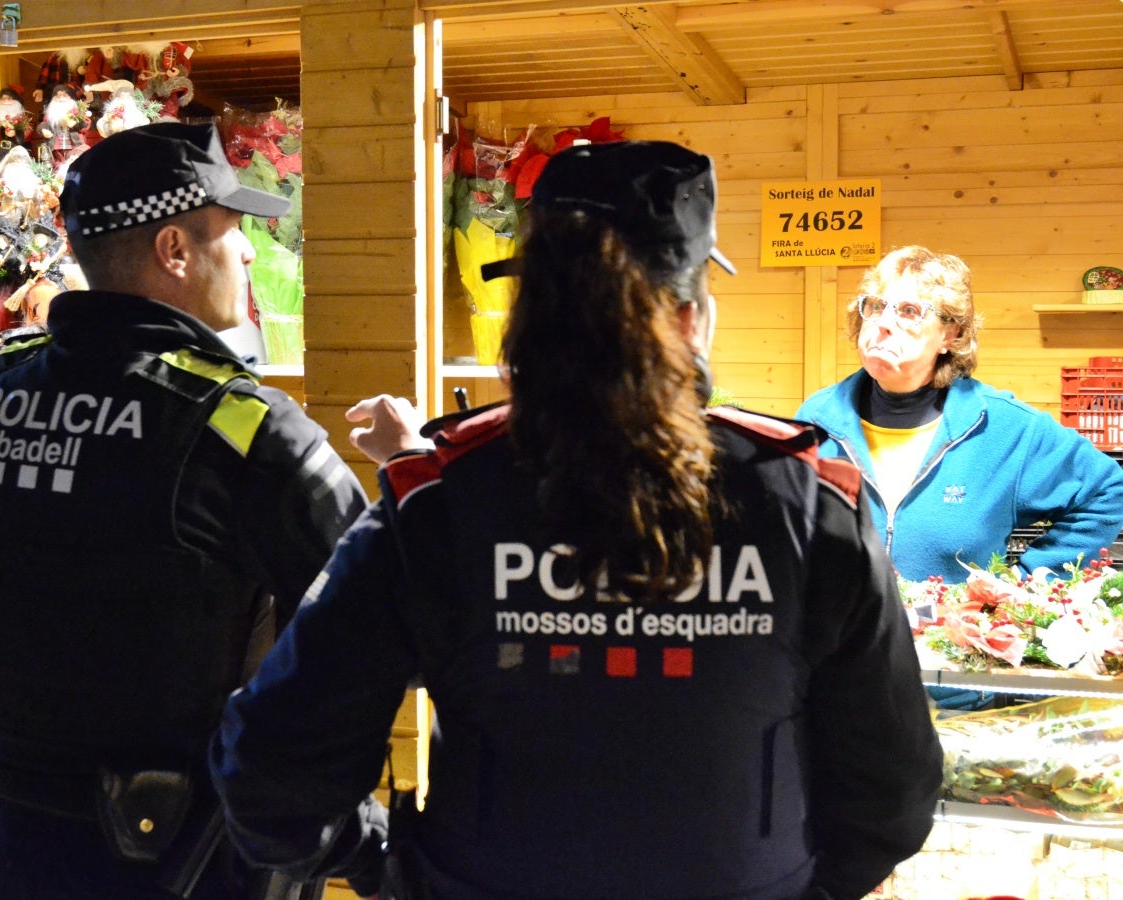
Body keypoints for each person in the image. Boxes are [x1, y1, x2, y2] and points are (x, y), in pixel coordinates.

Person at [209, 141, 943, 900]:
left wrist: (392, 871)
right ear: (693, 317)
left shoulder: (437, 502)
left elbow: (274, 773)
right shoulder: (813, 501)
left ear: (527, 311)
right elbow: (895, 794)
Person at [0, 121, 369, 899]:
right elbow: (375, 618)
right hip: (195, 864)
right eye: (235, 233)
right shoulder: (244, 431)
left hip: (11, 854)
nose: (251, 253)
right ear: (174, 250)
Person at [796, 245, 1123, 587]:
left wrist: (1030, 585)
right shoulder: (817, 418)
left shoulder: (1005, 427)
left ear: (949, 335)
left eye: (909, 311)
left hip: (947, 638)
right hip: (839, 637)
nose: (883, 323)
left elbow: (1106, 490)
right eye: (876, 306)